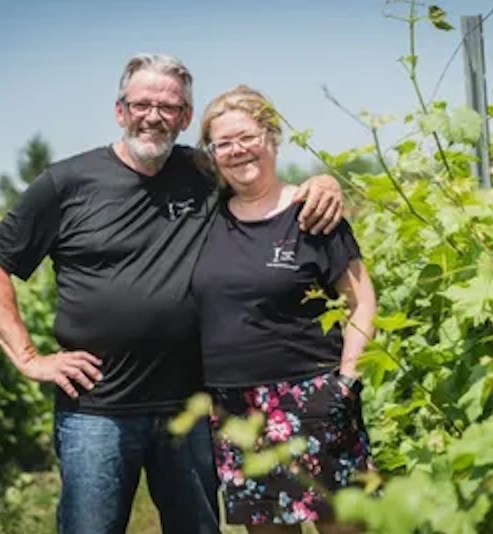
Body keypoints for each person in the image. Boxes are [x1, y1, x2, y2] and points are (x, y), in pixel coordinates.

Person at [0, 54, 345, 534]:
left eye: (168, 107)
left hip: (189, 407)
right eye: (141, 104)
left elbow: (263, 182)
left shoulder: (205, 173)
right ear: (120, 111)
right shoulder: (66, 184)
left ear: (185, 118)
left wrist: (323, 182)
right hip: (95, 410)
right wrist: (27, 357)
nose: (153, 116)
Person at [191, 85, 377, 534]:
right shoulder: (204, 216)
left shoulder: (312, 213)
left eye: (247, 137)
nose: (237, 151)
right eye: (224, 143)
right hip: (234, 407)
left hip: (312, 397)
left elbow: (362, 301)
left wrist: (346, 382)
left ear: (271, 137)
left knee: (344, 524)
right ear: (212, 153)